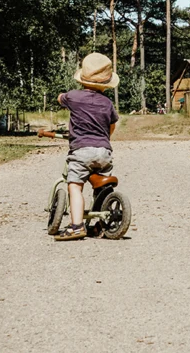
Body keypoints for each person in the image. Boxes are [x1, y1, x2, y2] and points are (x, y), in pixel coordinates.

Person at [54, 52, 120, 241]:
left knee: (74, 186)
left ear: (82, 79)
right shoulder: (107, 103)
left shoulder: (73, 97)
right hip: (104, 151)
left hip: (81, 150)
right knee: (102, 186)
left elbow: (61, 98)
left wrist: (60, 98)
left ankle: (76, 226)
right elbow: (112, 125)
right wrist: (104, 139)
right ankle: (100, 224)